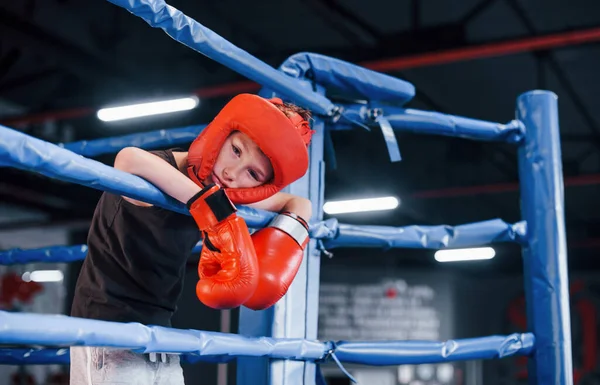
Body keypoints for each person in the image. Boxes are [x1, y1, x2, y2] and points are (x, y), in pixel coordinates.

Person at [69, 94, 314, 385]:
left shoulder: (224, 189)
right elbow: (127, 160)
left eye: (252, 173)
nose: (231, 173)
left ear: (259, 186)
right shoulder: (162, 173)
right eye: (235, 150)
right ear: (220, 133)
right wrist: (211, 208)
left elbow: (299, 204)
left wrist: (286, 239)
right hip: (108, 326)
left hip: (160, 331)